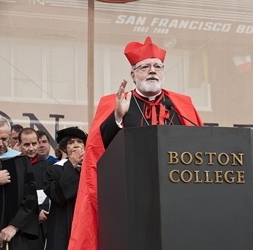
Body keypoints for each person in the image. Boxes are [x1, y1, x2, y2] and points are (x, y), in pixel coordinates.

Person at [69, 36, 203, 250]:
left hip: (177, 194)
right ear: (133, 74)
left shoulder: (181, 106)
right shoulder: (114, 103)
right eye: (145, 67)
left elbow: (200, 148)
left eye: (157, 66)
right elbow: (99, 150)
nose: (152, 71)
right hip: (131, 197)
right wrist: (117, 118)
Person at [0, 114, 39, 250]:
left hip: (15, 235)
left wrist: (14, 226)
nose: (1, 144)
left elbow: (31, 197)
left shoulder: (21, 160)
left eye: (4, 138)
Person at [43, 127, 87, 250]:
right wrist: (71, 164)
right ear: (64, 148)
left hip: (86, 222)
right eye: (71, 142)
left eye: (79, 142)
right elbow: (57, 195)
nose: (76, 145)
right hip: (63, 225)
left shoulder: (92, 168)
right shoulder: (54, 169)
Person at [19, 128, 52, 250]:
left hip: (44, 222)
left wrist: (43, 210)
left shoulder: (49, 167)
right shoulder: (15, 166)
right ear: (19, 145)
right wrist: (35, 212)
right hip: (22, 223)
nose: (31, 148)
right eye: (27, 145)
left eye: (34, 144)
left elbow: (51, 192)